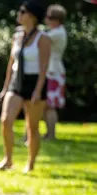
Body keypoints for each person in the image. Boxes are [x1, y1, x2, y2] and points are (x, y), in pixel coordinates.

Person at [0, 1, 50, 173]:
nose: (19, 14)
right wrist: (5, 88)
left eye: (22, 11)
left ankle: (30, 164)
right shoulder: (17, 36)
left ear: (32, 16)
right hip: (16, 82)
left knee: (31, 127)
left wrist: (38, 91)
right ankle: (8, 160)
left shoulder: (43, 39)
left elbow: (43, 68)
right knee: (5, 120)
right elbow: (11, 63)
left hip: (34, 83)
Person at [44, 4, 67, 140]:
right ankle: (48, 134)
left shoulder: (57, 33)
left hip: (53, 71)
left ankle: (51, 134)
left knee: (50, 105)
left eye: (48, 17)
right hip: (52, 70)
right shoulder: (56, 31)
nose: (46, 19)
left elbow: (41, 38)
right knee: (47, 106)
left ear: (55, 19)